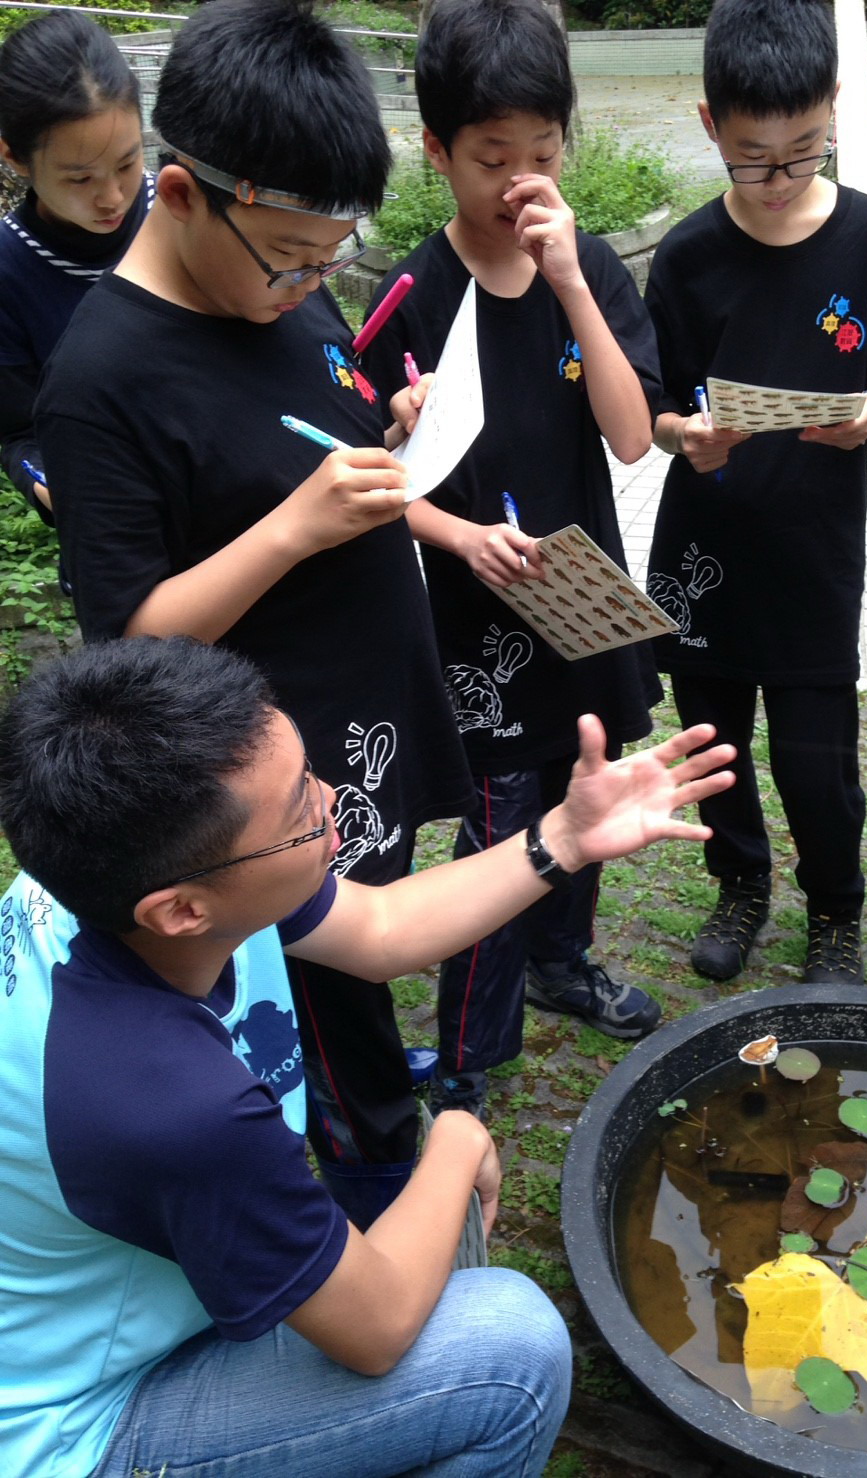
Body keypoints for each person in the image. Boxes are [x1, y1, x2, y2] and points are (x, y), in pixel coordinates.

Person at [0, 633, 735, 1478]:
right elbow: (377, 1328)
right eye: (299, 813)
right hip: (81, 1424)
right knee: (511, 1350)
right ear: (181, 911)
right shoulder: (171, 1104)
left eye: (307, 773)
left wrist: (564, 836)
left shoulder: (101, 877)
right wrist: (456, 1138)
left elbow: (382, 931)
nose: (333, 799)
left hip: (101, 1307)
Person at [34, 0, 477, 1228]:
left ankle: (374, 1121)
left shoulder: (280, 295)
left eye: (330, 257)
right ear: (178, 194)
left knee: (358, 969)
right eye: (287, 254)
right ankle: (378, 1204)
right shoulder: (104, 378)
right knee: (323, 1009)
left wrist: (389, 425)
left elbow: (315, 407)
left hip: (361, 725)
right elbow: (127, 644)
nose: (309, 283)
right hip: (267, 786)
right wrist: (292, 526)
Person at [364, 0, 664, 1117]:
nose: (519, 180)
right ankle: (468, 1061)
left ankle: (563, 962)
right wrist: (456, 532)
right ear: (437, 150)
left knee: (583, 789)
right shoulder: (411, 294)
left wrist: (573, 278)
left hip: (582, 602)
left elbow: (633, 436)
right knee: (501, 825)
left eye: (541, 154)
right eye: (492, 158)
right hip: (471, 619)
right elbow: (367, 487)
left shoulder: (587, 273)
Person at [643, 0, 867, 986]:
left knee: (819, 761)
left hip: (814, 550)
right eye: (752, 155)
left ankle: (835, 914)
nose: (776, 180)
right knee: (714, 746)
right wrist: (685, 436)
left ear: (834, 111)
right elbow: (652, 405)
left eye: (802, 152)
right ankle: (740, 885)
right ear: (708, 123)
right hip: (707, 546)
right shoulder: (683, 256)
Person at [0, 9, 152, 523]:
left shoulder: (184, 207)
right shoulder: (8, 272)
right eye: (78, 179)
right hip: (122, 527)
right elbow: (19, 432)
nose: (112, 198)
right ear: (15, 158)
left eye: (127, 164)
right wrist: (57, 488)